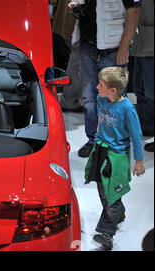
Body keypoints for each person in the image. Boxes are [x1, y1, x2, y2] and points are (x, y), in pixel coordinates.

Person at [84, 67, 145, 251]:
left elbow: (136, 136)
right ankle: (120, 214)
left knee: (111, 196)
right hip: (100, 150)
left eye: (100, 85)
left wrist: (139, 161)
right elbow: (101, 119)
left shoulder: (127, 109)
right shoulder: (102, 98)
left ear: (113, 90)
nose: (96, 87)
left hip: (116, 156)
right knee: (103, 189)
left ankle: (106, 233)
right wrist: (97, 134)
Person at [71, 0, 142, 158]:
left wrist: (124, 45)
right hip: (87, 46)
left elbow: (135, 10)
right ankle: (94, 141)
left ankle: (114, 144)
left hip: (113, 49)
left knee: (113, 99)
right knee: (89, 98)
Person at [130, 0, 154, 152]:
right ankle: (147, 126)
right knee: (140, 89)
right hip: (140, 44)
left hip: (150, 45)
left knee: (151, 92)